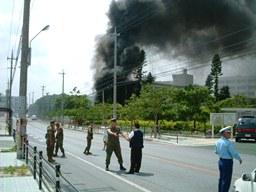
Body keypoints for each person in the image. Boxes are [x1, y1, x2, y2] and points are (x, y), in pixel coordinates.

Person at [215, 126, 242, 192]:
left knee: (221, 178)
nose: (230, 134)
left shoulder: (218, 142)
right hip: (227, 162)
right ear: (224, 134)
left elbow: (216, 152)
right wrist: (239, 158)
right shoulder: (228, 143)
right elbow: (233, 153)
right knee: (226, 179)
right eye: (228, 133)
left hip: (221, 161)